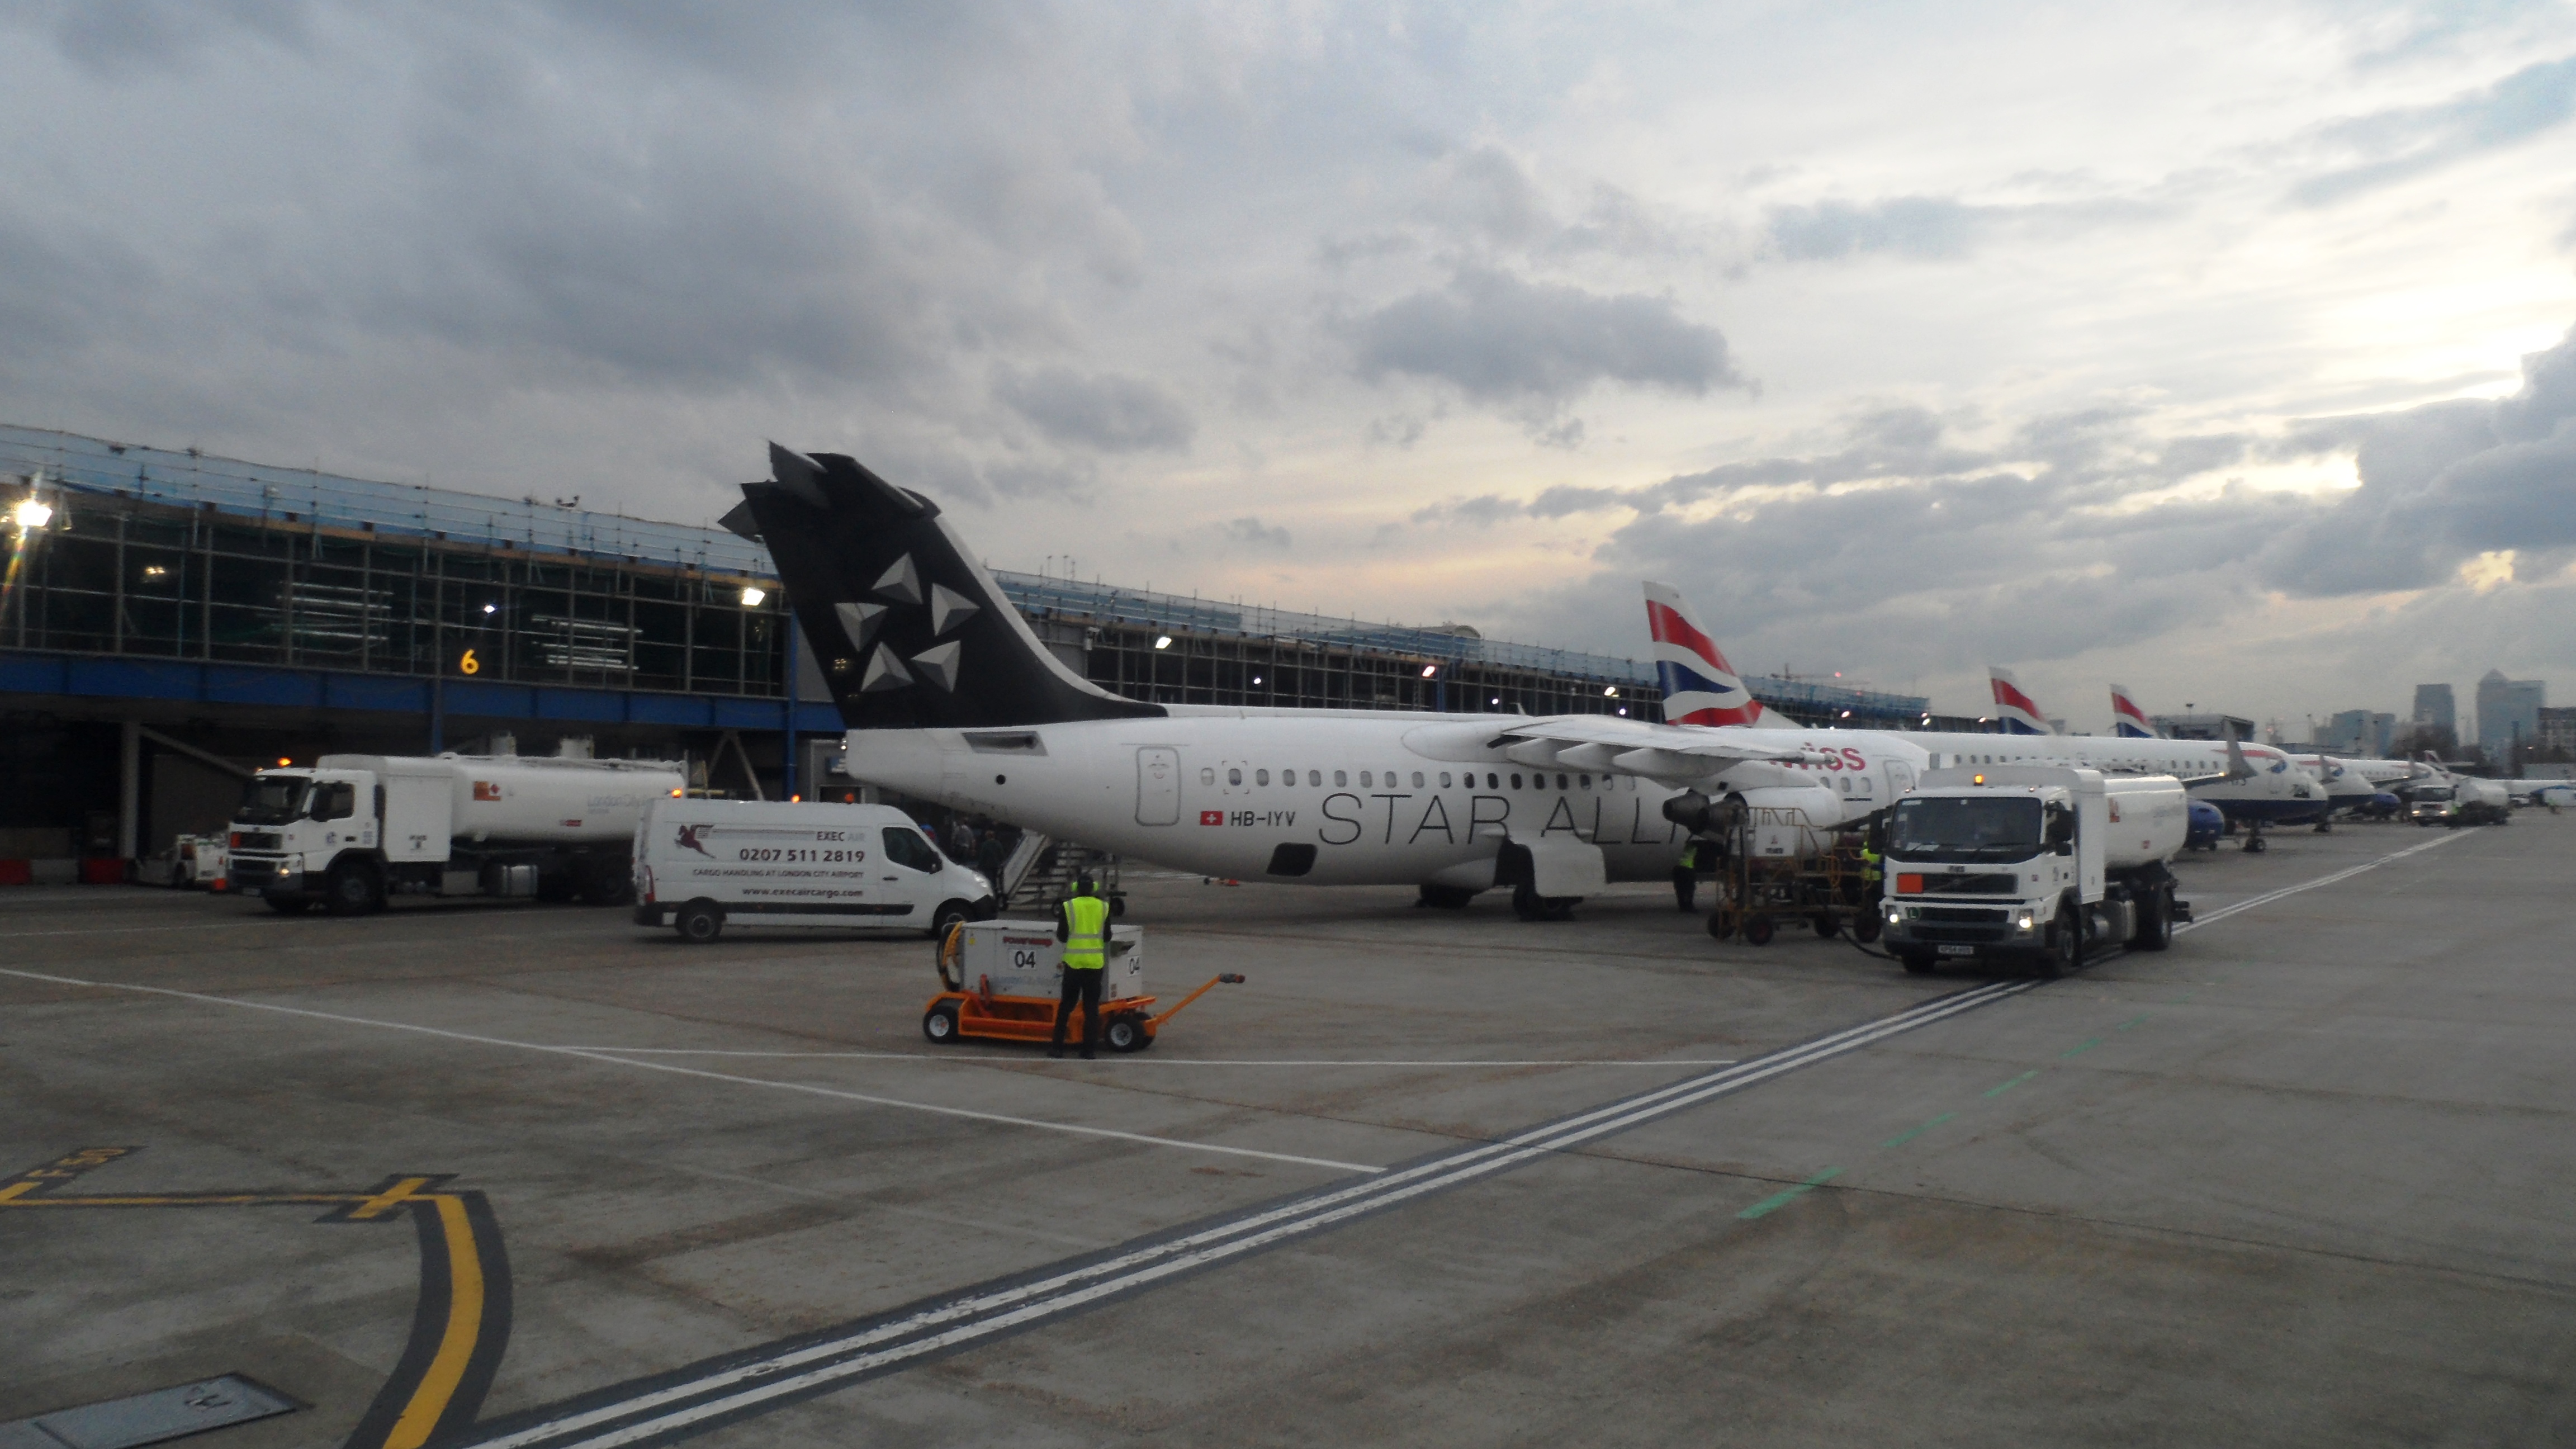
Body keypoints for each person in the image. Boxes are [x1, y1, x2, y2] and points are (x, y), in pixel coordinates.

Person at [1050, 875, 1111, 1059]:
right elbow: (1107, 936)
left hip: (1074, 964)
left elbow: (1061, 936)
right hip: (1094, 965)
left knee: (1066, 1006)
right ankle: (1088, 1051)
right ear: (1093, 888)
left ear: (1076, 888)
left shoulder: (1069, 907)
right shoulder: (1104, 907)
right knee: (1092, 1008)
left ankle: (1057, 1048)